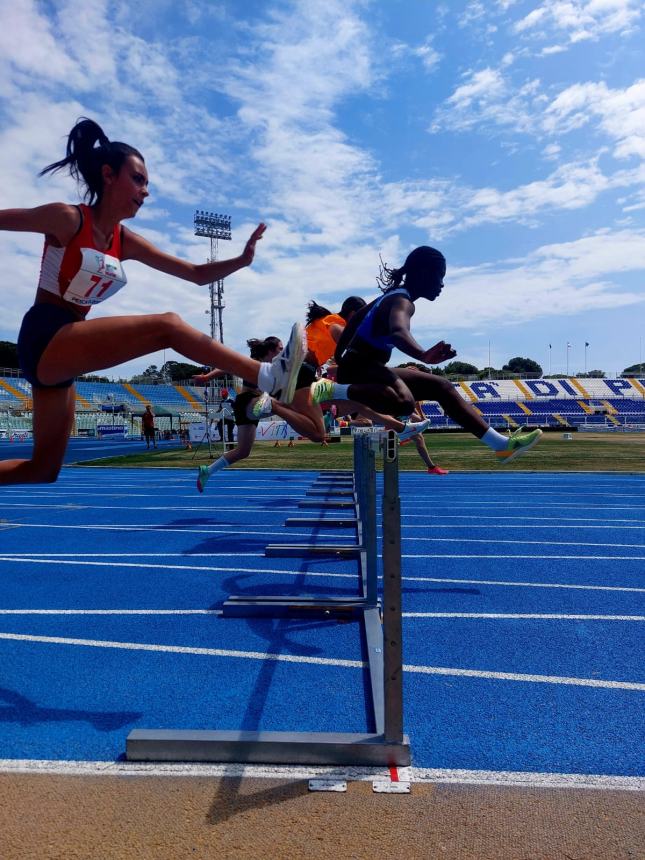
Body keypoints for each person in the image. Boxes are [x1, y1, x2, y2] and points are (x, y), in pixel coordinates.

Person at [0, 117, 305, 485]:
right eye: (139, 180)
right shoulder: (67, 218)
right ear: (109, 175)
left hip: (65, 351)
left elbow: (194, 273)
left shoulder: (122, 239)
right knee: (167, 326)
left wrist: (241, 260)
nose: (146, 192)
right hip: (45, 335)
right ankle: (267, 375)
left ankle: (268, 375)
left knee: (43, 470)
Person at [319, 246, 542, 464]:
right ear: (424, 274)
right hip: (361, 367)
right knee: (404, 403)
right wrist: (422, 355)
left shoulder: (391, 296)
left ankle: (500, 445)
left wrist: (340, 355)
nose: (442, 284)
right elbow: (398, 331)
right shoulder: (402, 302)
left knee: (442, 386)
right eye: (439, 276)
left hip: (365, 366)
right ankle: (329, 389)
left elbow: (357, 317)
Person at [195, 336, 284, 492]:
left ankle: (207, 470)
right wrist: (207, 377)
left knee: (243, 451)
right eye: (280, 349)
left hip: (254, 405)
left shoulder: (274, 365)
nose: (283, 352)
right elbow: (227, 367)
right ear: (270, 351)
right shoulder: (253, 362)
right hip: (247, 401)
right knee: (282, 402)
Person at [400, 402, 448, 475]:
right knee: (418, 437)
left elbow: (415, 404)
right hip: (397, 413)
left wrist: (420, 417)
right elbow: (416, 403)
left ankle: (431, 467)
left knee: (419, 438)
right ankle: (431, 467)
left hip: (403, 413)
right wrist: (421, 417)